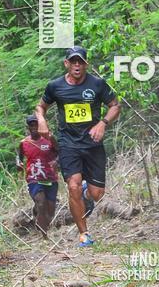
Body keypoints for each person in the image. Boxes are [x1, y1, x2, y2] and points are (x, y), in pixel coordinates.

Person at [35, 46, 121, 247]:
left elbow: (115, 105)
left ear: (85, 64)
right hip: (68, 143)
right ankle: (84, 234)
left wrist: (103, 123)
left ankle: (86, 192)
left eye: (80, 62)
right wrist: (41, 120)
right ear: (66, 64)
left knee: (96, 194)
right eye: (73, 61)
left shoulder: (97, 84)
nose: (76, 65)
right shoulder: (55, 86)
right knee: (72, 185)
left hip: (93, 144)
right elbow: (40, 107)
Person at [16, 115, 59, 234]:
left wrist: (56, 161)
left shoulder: (50, 139)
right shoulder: (24, 143)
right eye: (31, 125)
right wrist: (18, 163)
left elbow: (60, 152)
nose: (34, 127)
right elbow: (18, 157)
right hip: (33, 178)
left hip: (50, 177)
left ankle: (36, 213)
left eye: (36, 124)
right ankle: (43, 234)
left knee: (50, 210)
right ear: (28, 127)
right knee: (41, 202)